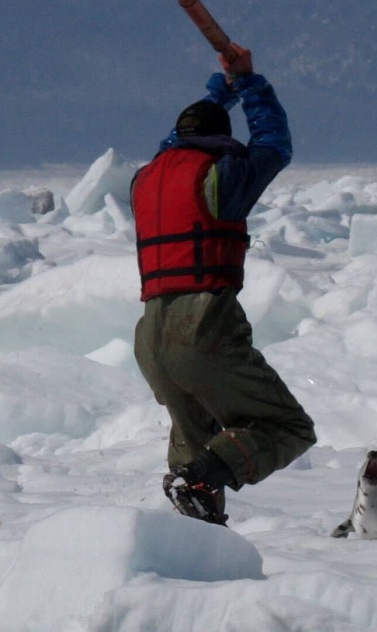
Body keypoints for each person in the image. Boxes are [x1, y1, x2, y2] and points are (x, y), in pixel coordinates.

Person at [132, 43, 317, 525]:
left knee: (194, 451)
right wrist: (252, 85)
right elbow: (273, 145)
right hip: (204, 326)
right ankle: (201, 480)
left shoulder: (146, 177)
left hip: (151, 337)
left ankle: (191, 550)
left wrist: (222, 90)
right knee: (285, 426)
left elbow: (177, 139)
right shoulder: (222, 177)